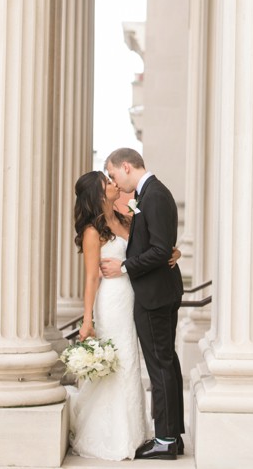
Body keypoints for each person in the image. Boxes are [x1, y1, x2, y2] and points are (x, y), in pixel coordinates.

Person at [101, 148, 185, 460]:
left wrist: (123, 268)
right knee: (166, 363)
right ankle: (172, 436)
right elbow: (161, 246)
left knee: (160, 365)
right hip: (159, 292)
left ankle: (164, 438)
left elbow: (161, 249)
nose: (114, 181)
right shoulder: (148, 193)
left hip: (154, 295)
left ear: (126, 167)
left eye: (113, 174)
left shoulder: (154, 195)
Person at [67, 170, 152, 460]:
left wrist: (171, 252)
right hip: (111, 301)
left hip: (131, 299)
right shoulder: (93, 232)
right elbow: (92, 278)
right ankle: (112, 436)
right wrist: (87, 320)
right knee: (117, 362)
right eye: (108, 182)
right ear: (98, 193)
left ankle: (135, 433)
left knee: (130, 361)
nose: (114, 184)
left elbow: (147, 246)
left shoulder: (128, 217)